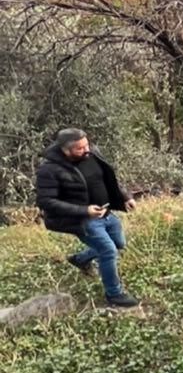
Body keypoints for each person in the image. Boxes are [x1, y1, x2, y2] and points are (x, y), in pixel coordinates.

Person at [35, 128, 139, 308]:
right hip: (84, 220)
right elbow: (46, 201)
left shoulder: (92, 154)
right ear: (66, 150)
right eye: (80, 148)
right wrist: (84, 210)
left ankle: (80, 259)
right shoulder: (49, 170)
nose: (87, 150)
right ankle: (114, 294)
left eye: (87, 145)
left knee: (119, 243)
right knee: (108, 251)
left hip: (106, 213)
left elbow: (108, 180)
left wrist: (125, 197)